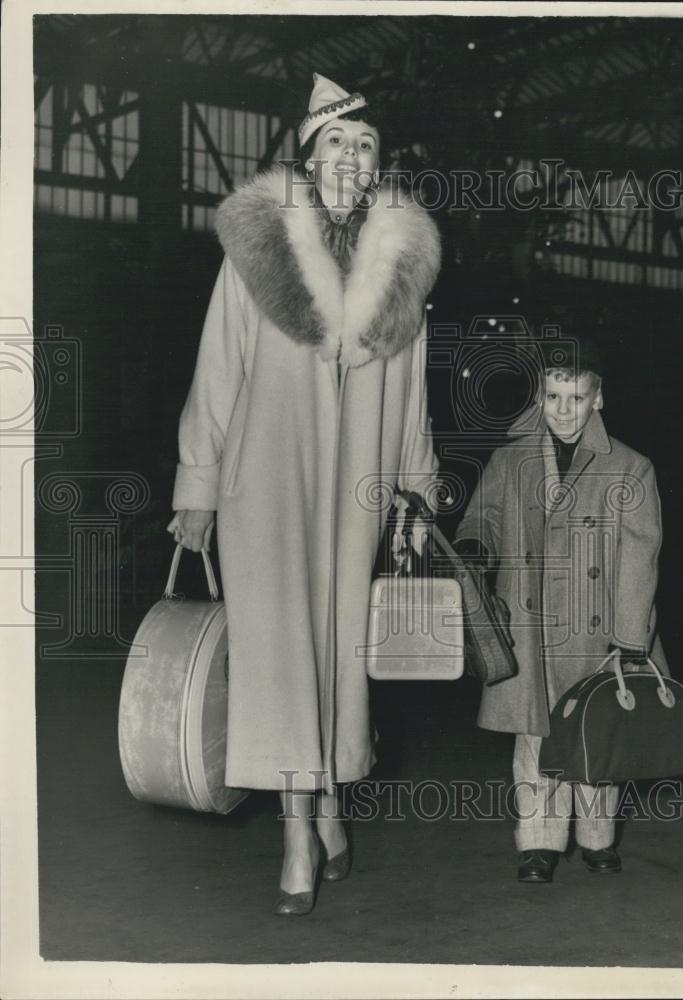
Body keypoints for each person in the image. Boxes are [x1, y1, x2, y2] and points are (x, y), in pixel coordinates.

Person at [167, 73, 440, 915]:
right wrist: (198, 485)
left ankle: (328, 803)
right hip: (267, 485)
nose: (352, 159)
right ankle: (296, 836)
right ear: (308, 157)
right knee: (282, 658)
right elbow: (218, 372)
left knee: (340, 655)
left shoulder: (401, 275)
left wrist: (413, 498)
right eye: (338, 145)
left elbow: (414, 395)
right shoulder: (259, 255)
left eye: (366, 147)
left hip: (356, 495)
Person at [453, 337, 668, 883]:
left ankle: (597, 837)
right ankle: (539, 844)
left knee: (598, 734)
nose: (563, 409)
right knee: (535, 737)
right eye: (553, 397)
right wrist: (476, 547)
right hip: (528, 624)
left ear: (598, 398)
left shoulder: (630, 467)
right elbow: (485, 518)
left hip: (598, 631)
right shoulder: (511, 458)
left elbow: (640, 555)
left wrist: (629, 636)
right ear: (540, 397)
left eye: (576, 397)